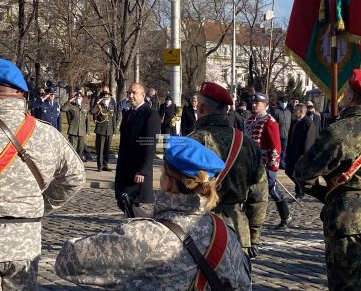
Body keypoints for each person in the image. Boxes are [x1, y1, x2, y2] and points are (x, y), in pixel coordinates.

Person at [55, 136, 252, 290]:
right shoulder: (226, 233)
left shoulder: (145, 235)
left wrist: (130, 230)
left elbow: (67, 260)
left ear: (168, 180)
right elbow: (243, 285)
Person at [0, 57, 85, 289]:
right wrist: (40, 205)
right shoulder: (48, 136)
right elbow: (75, 177)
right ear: (22, 95)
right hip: (26, 244)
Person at [295, 69, 361, 290]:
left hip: (347, 220)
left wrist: (325, 194)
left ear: (351, 97)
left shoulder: (338, 132)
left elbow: (304, 173)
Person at [189, 82, 268, 258]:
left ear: (201, 108)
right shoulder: (248, 144)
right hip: (237, 230)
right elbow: (259, 195)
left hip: (199, 230)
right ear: (226, 110)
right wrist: (253, 236)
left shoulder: (191, 143)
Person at [245, 93, 292, 230]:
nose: (254, 105)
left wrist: (272, 167)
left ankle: (285, 216)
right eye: (253, 103)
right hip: (250, 162)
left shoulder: (270, 121)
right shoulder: (249, 120)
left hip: (265, 163)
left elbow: (276, 146)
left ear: (265, 105)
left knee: (272, 189)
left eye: (257, 103)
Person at [115, 83, 161, 211]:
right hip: (125, 167)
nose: (130, 96)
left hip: (137, 169)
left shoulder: (150, 115)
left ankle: (137, 226)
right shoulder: (128, 113)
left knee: (131, 203)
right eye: (129, 93)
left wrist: (143, 170)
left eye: (134, 93)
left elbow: (150, 145)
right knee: (122, 201)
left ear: (143, 95)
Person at [285, 103, 315, 200]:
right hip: (292, 151)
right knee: (289, 171)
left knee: (298, 173)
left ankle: (299, 193)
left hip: (301, 153)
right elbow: (290, 137)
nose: (293, 112)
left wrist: (304, 155)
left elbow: (308, 140)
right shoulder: (294, 122)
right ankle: (302, 187)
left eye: (295, 110)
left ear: (301, 112)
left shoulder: (308, 122)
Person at [91, 86, 117, 172]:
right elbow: (93, 111)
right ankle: (100, 166)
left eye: (108, 95)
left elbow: (114, 116)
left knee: (107, 149)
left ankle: (105, 164)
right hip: (101, 129)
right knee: (100, 149)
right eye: (105, 95)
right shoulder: (99, 104)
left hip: (109, 130)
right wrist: (98, 102)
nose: (106, 97)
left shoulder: (112, 104)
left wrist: (114, 128)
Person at [61, 90, 91, 159]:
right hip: (73, 131)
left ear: (83, 99)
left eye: (80, 98)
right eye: (77, 98)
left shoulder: (86, 107)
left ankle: (79, 164)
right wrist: (70, 100)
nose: (78, 99)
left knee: (81, 149)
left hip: (82, 131)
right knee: (73, 149)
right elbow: (63, 109)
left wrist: (87, 131)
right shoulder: (71, 106)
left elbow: (88, 120)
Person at [272, 96, 292, 170]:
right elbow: (273, 123)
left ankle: (282, 163)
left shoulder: (289, 112)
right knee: (277, 150)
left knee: (284, 150)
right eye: (282, 102)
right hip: (278, 134)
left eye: (285, 102)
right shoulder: (276, 111)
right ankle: (275, 163)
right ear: (279, 102)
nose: (284, 103)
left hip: (286, 134)